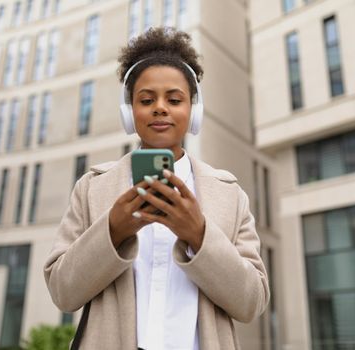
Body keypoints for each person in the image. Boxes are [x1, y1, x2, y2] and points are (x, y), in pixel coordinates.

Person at [44, 27, 269, 350]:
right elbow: (63, 293)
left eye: (174, 99)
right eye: (146, 100)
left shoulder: (230, 194)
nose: (160, 108)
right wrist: (112, 231)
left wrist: (199, 235)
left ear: (194, 110)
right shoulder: (92, 187)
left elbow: (251, 303)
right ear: (129, 112)